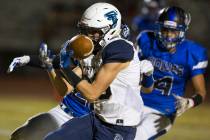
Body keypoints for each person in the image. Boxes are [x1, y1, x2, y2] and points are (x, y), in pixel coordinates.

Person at [7, 8, 153, 140]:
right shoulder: (93, 52)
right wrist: (50, 66)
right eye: (85, 30)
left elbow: (92, 94)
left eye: (93, 31)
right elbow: (65, 89)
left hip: (120, 125)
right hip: (96, 118)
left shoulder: (120, 48)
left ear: (110, 29)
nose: (87, 36)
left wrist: (66, 68)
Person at [134, 6, 208, 140]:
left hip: (162, 111)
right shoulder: (146, 40)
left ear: (182, 31)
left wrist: (189, 102)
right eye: (165, 30)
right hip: (134, 102)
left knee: (138, 136)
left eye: (173, 31)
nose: (168, 35)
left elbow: (201, 92)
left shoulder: (191, 52)